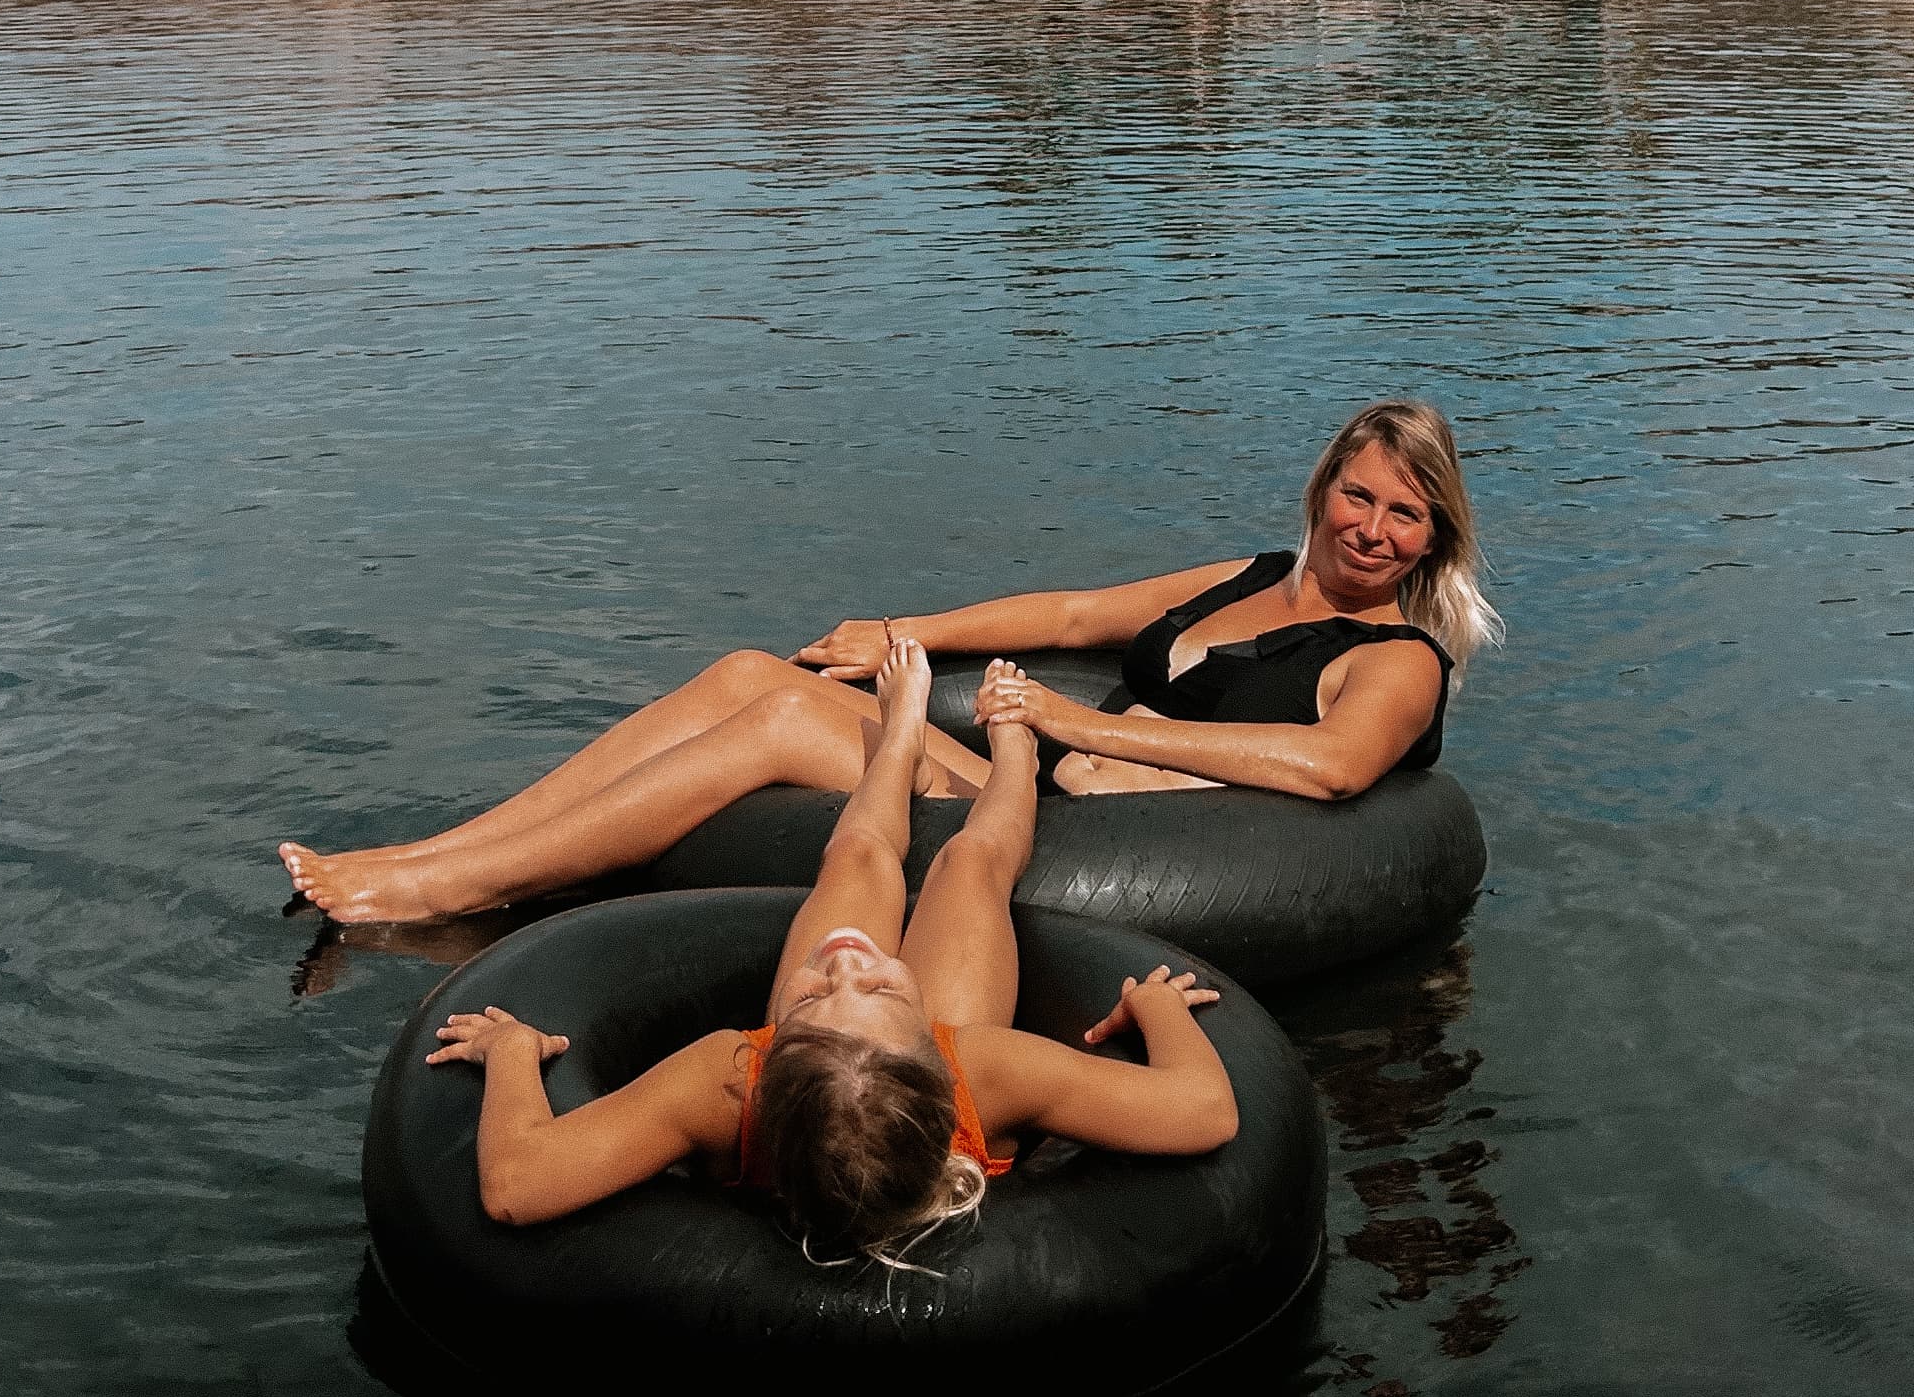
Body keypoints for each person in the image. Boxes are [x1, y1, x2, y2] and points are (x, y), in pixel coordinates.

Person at [278, 395, 1492, 932]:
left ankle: (455, 893)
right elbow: (1073, 613)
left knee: (778, 732)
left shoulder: (1395, 660)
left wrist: (1094, 732)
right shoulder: (1248, 576)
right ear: (1325, 482)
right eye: (1357, 493)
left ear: (1435, 535)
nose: (1370, 530)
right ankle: (441, 850)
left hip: (1101, 848)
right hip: (1032, 783)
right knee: (751, 672)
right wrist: (899, 630)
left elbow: (1333, 772)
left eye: (1403, 515)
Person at [425, 641, 1235, 1256]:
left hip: (860, 1085)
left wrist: (512, 1053)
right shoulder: (988, 1072)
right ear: (932, 1051)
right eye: (880, 987)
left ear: (768, 1056)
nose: (847, 961)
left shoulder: (726, 1079)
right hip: (931, 1084)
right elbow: (1203, 1110)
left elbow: (516, 1184)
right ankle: (997, 750)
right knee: (970, 866)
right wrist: (1160, 1010)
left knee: (863, 861)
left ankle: (917, 743)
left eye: (811, 1000)